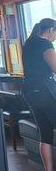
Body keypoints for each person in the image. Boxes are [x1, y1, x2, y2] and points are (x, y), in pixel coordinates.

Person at [22, 18, 56, 171]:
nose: (55, 38)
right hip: (45, 92)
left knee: (45, 134)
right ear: (50, 30)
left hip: (30, 92)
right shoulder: (45, 44)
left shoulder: (28, 43)